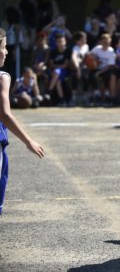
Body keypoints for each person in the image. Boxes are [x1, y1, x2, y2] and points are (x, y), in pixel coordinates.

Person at [0, 28, 44, 215]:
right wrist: (28, 141)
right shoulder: (3, 77)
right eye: (4, 46)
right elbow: (5, 114)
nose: (7, 51)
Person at [48, 34, 71, 105]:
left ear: (65, 42)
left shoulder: (67, 51)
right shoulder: (53, 52)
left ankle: (49, 91)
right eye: (58, 41)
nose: (60, 43)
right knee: (58, 81)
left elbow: (65, 65)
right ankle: (62, 100)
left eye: (62, 41)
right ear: (56, 43)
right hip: (54, 72)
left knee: (57, 71)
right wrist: (58, 66)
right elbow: (51, 64)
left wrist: (57, 66)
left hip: (65, 72)